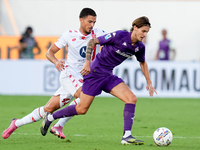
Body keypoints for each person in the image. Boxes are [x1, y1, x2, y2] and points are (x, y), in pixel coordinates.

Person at [40, 16, 157, 145]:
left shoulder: (139, 47)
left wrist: (149, 82)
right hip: (94, 74)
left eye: (147, 32)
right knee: (82, 109)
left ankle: (127, 137)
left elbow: (143, 63)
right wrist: (87, 62)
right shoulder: (119, 35)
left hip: (108, 75)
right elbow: (92, 42)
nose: (144, 35)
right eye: (143, 31)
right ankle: (50, 117)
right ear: (135, 27)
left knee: (131, 99)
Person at [2, 8, 105, 139]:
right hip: (70, 74)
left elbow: (114, 41)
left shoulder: (99, 33)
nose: (92, 25)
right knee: (84, 97)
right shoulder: (69, 35)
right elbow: (49, 52)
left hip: (83, 78)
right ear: (81, 20)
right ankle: (58, 124)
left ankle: (16, 123)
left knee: (48, 108)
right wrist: (56, 62)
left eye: (94, 22)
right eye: (89, 21)